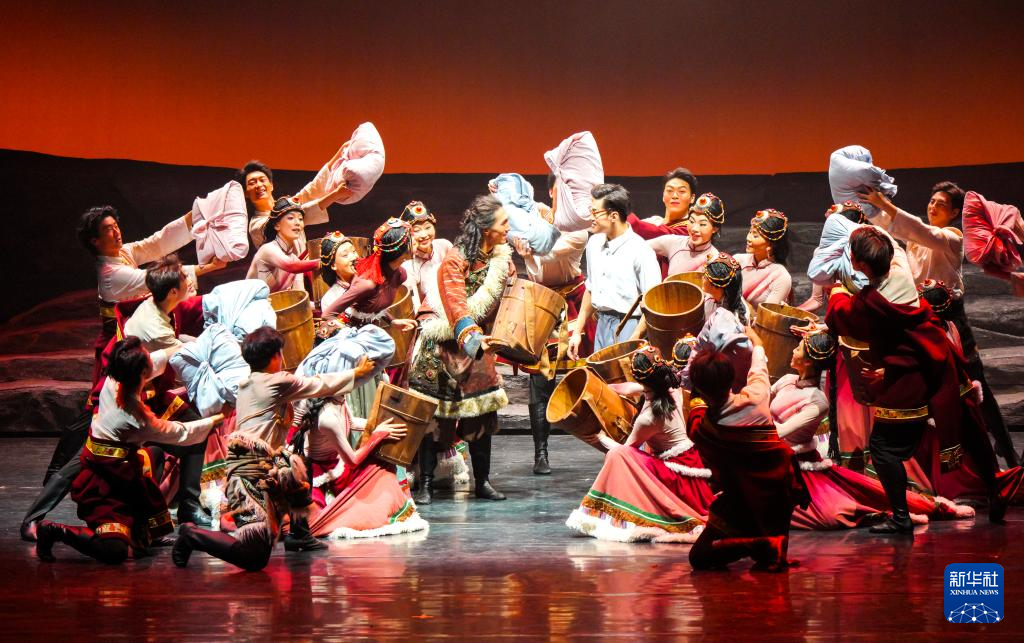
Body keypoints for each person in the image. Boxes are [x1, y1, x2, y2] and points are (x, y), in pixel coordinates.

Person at [825, 227, 1006, 533]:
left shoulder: (872, 303)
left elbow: (840, 317)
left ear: (858, 264)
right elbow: (887, 242)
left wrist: (837, 290)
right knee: (972, 432)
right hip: (942, 366)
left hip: (912, 378)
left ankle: (900, 517)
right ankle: (996, 491)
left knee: (883, 447)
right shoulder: (900, 272)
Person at [171, 327, 376, 570]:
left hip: (253, 469)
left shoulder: (247, 382)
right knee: (253, 557)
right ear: (275, 356)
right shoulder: (277, 382)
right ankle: (191, 535)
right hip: (250, 476)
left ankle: (299, 534)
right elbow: (318, 384)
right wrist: (356, 373)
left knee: (296, 472)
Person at [860, 183, 1017, 467]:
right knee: (928, 386)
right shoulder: (915, 238)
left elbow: (922, 231)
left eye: (941, 204)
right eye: (932, 201)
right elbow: (895, 228)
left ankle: (1007, 451)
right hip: (921, 318)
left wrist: (885, 205)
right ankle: (936, 461)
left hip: (950, 317)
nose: (933, 207)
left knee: (974, 381)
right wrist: (864, 208)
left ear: (955, 212)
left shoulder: (952, 237)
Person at [35, 338, 222, 564]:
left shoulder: (114, 380)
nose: (151, 359)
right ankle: (54, 531)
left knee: (151, 458)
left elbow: (157, 361)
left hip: (123, 469)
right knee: (114, 551)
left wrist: (189, 345)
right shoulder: (134, 417)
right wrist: (216, 419)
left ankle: (139, 534)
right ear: (142, 373)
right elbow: (179, 433)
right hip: (104, 482)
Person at [774, 331, 973, 530]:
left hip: (795, 462)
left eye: (798, 348)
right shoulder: (787, 380)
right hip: (773, 455)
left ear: (808, 362)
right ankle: (899, 514)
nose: (793, 350)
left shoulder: (818, 401)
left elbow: (779, 431)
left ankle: (892, 514)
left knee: (830, 515)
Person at [409, 195, 515, 503]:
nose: (508, 228)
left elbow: (507, 302)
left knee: (482, 413)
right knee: (433, 417)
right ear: (486, 229)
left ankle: (482, 481)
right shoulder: (455, 261)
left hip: (477, 343)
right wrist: (472, 339)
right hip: (444, 341)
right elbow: (456, 304)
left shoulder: (502, 261)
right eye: (504, 223)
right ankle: (426, 483)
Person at [687, 331, 807, 572]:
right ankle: (771, 543)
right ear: (732, 378)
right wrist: (755, 339)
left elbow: (695, 410)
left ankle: (761, 545)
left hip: (742, 499)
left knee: (699, 558)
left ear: (700, 389)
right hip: (777, 493)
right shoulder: (758, 395)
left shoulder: (704, 427)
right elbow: (759, 363)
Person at [566, 346, 713, 543]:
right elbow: (631, 388)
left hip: (675, 474)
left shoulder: (649, 418)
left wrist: (600, 438)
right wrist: (604, 390)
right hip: (690, 462)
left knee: (618, 456)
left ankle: (616, 512)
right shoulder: (671, 389)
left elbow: (626, 451)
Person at [511, 177, 590, 474]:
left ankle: (610, 447)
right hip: (542, 303)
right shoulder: (535, 215)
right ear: (551, 191)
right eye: (561, 189)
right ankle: (540, 453)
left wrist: (529, 241)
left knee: (591, 376)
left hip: (573, 305)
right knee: (539, 380)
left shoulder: (578, 228)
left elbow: (552, 249)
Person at [568, 184, 661, 359]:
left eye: (595, 212)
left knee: (623, 376)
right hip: (602, 323)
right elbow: (591, 289)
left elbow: (653, 303)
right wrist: (576, 333)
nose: (591, 217)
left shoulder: (641, 250)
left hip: (629, 324)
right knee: (599, 376)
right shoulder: (594, 243)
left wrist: (633, 340)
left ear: (614, 216)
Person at [238, 159, 348, 249]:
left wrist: (341, 152)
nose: (258, 185)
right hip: (282, 270)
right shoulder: (256, 225)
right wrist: (336, 194)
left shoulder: (289, 205)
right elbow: (289, 217)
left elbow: (312, 190)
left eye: (262, 180)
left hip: (303, 265)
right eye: (252, 183)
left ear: (271, 185)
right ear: (246, 193)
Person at [246, 197, 321, 293]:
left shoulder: (295, 260)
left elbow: (299, 294)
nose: (297, 223)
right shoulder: (268, 249)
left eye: (300, 219)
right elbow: (290, 266)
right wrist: (321, 262)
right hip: (252, 301)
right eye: (290, 218)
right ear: (277, 225)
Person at [647, 193, 724, 278]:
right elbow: (640, 247)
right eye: (691, 221)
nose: (694, 229)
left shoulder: (715, 260)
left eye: (702, 224)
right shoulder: (674, 242)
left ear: (715, 229)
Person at [400, 201, 454, 312]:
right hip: (429, 314)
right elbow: (415, 306)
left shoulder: (445, 246)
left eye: (428, 227)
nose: (424, 235)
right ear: (407, 235)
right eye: (416, 230)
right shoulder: (407, 266)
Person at [735, 209, 793, 307]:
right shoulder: (737, 260)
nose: (748, 238)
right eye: (750, 232)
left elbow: (766, 315)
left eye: (755, 235)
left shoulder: (781, 277)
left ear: (771, 244)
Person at [627, 167, 699, 239]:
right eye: (670, 190)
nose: (675, 196)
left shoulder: (692, 228)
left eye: (682, 191)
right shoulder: (653, 221)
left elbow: (664, 234)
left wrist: (624, 214)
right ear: (663, 196)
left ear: (692, 198)